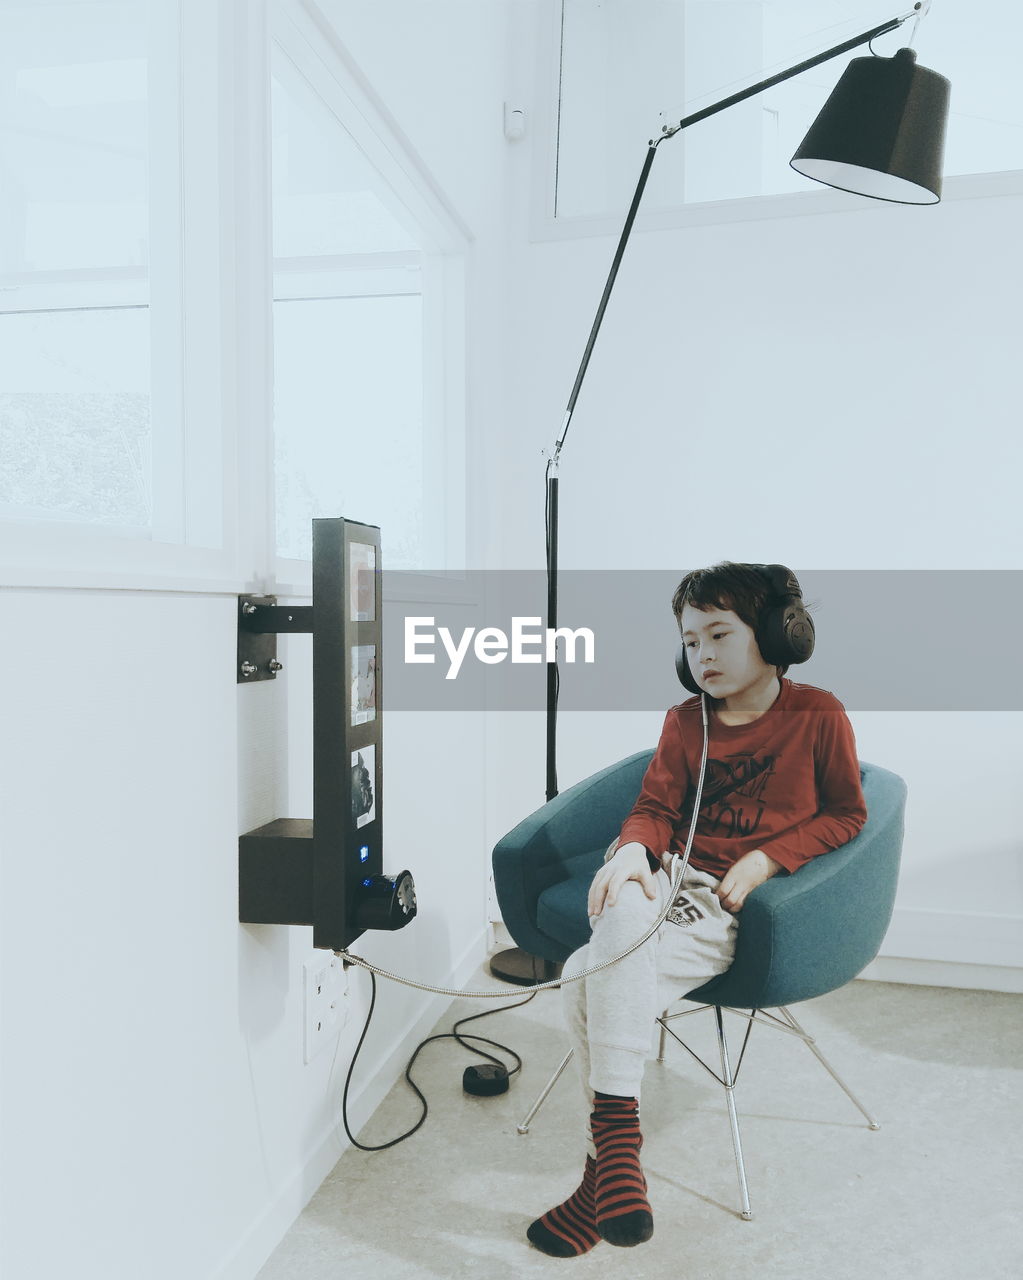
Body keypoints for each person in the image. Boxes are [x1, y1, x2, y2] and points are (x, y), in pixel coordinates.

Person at [527, 562, 867, 1257]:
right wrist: (629, 851)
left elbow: (846, 813)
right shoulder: (686, 722)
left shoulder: (817, 715)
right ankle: (620, 1144)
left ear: (776, 634)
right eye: (689, 641)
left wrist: (765, 859)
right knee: (620, 903)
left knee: (587, 973)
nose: (702, 654)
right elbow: (654, 808)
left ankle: (602, 1172)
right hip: (670, 876)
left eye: (719, 634)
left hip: (731, 902)